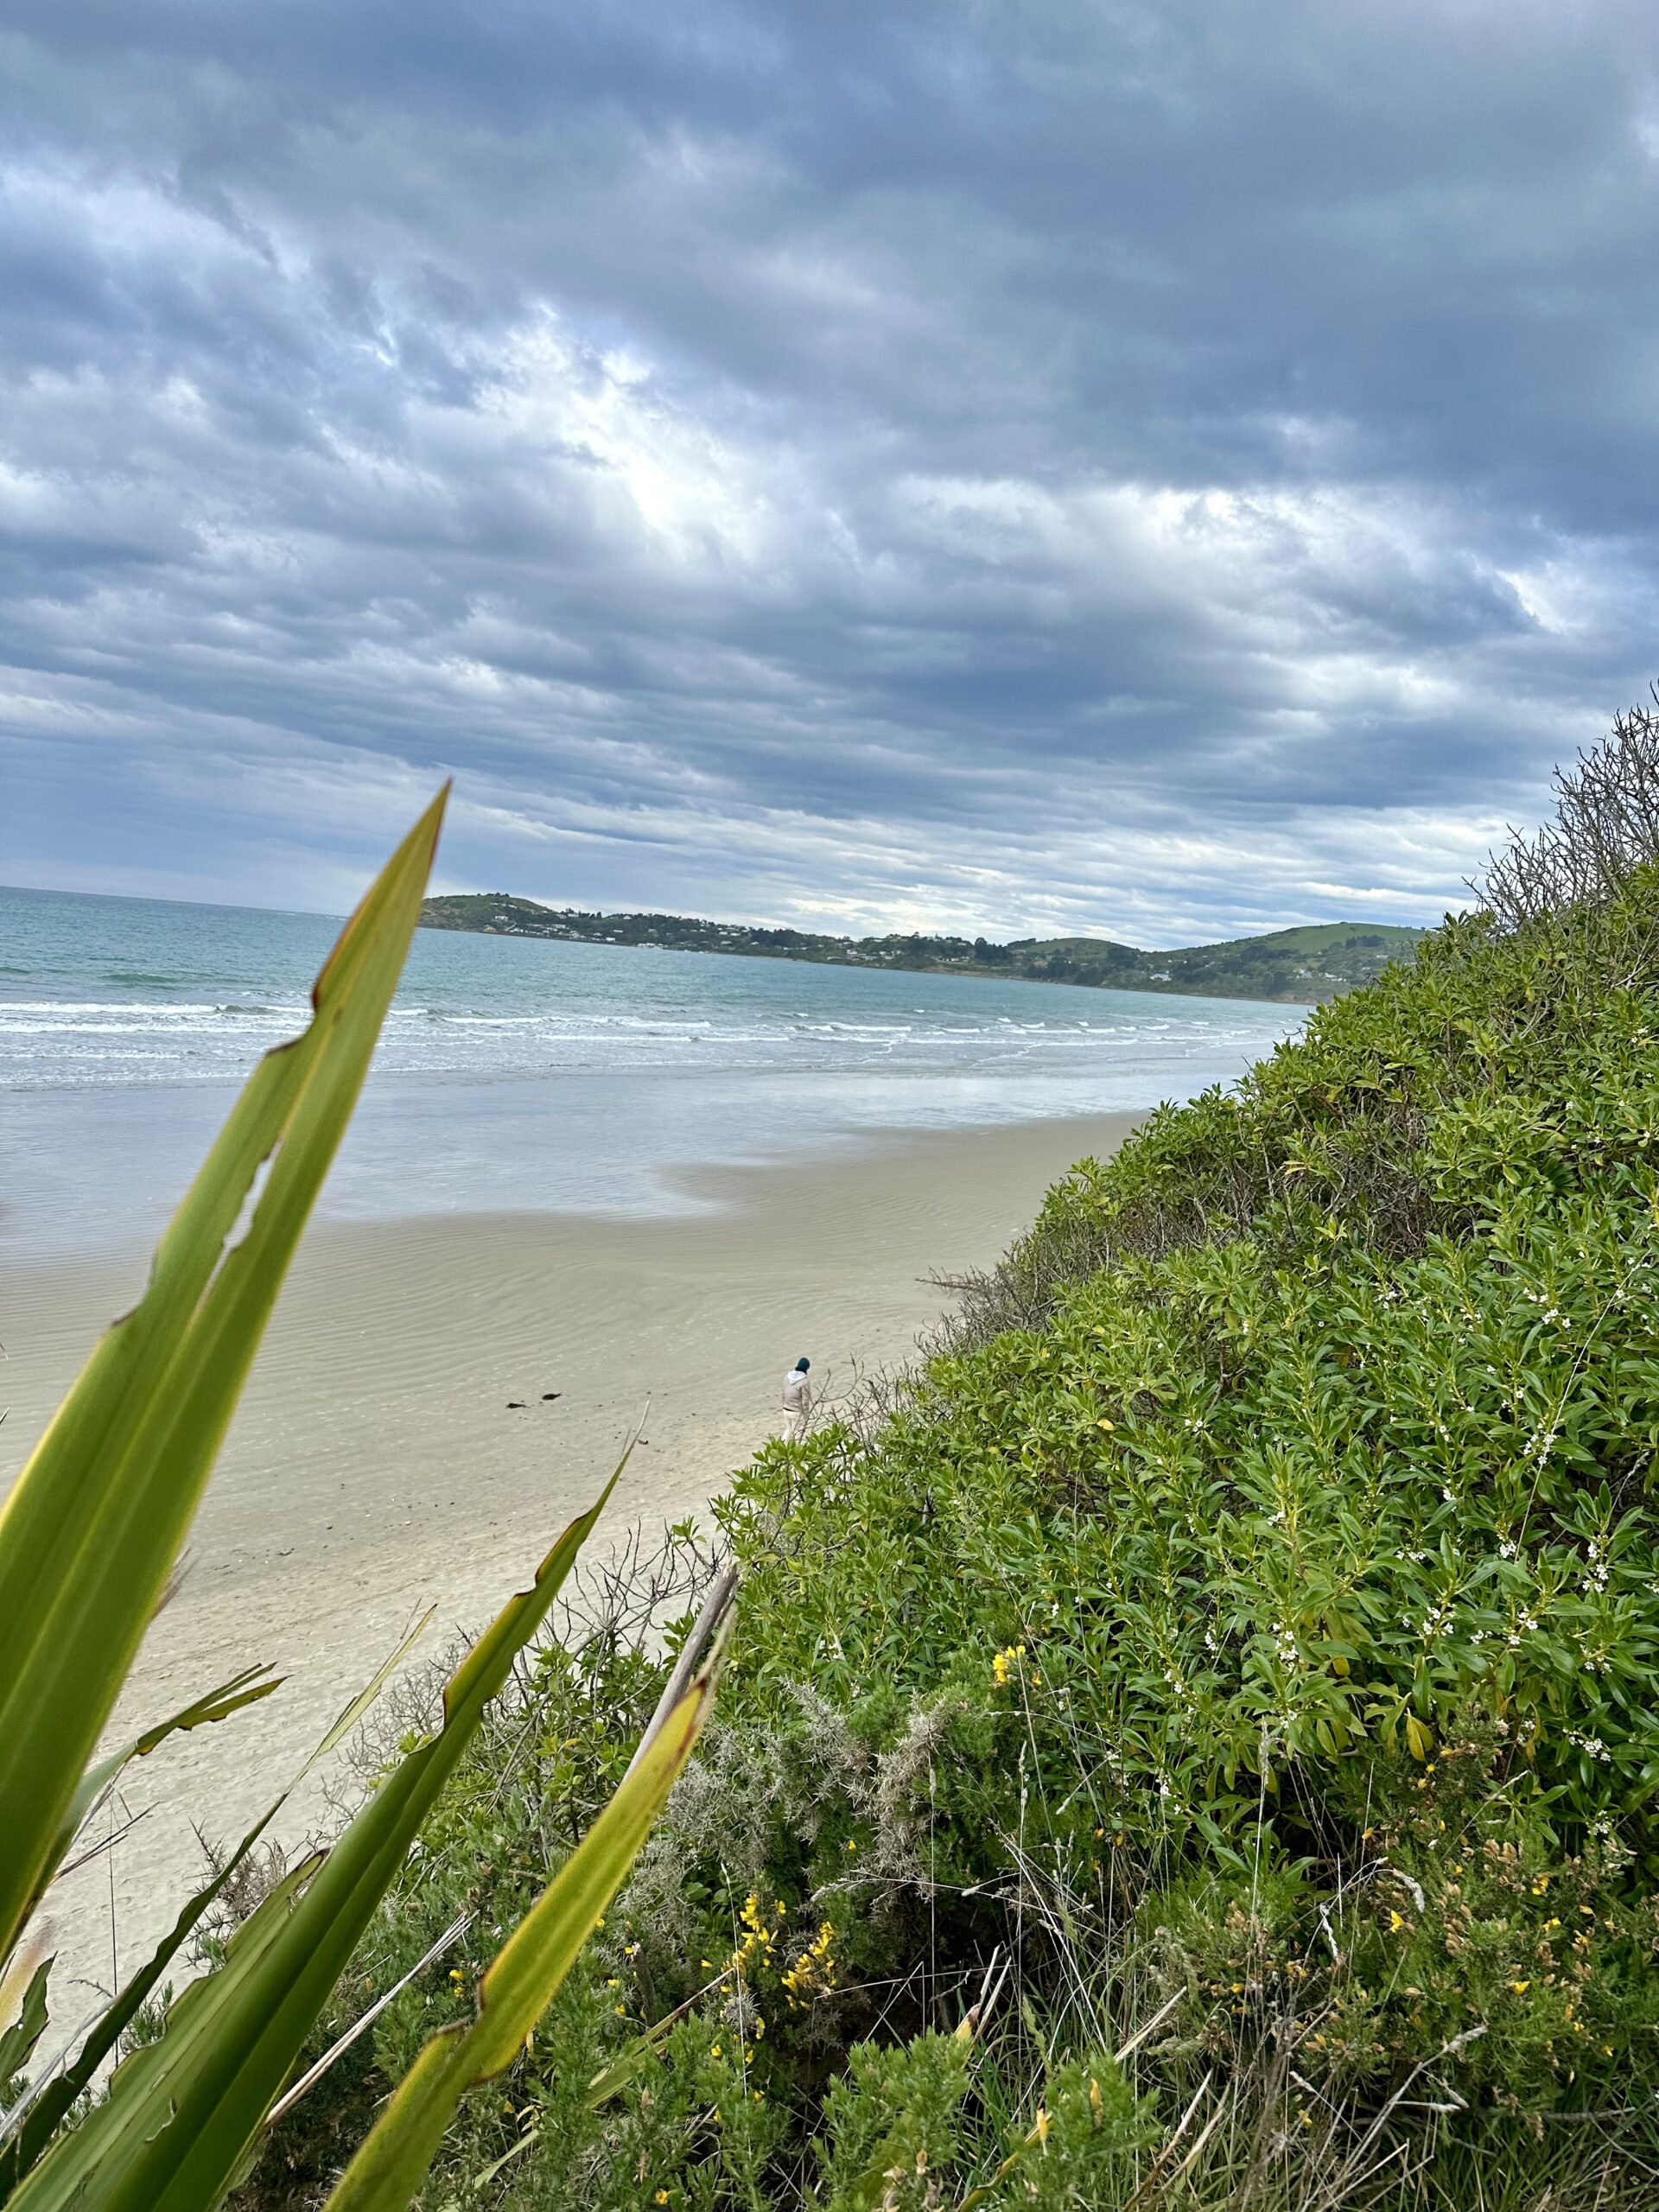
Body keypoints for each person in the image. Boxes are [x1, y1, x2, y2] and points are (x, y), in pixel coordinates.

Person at [781, 1355, 812, 1437]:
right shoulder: (805, 1381)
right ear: (807, 1368)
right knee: (798, 1432)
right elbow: (805, 1401)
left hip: (786, 1410)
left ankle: (782, 1446)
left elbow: (783, 1393)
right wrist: (806, 1415)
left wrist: (783, 1405)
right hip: (796, 1412)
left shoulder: (787, 1377)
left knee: (789, 1429)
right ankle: (797, 1448)